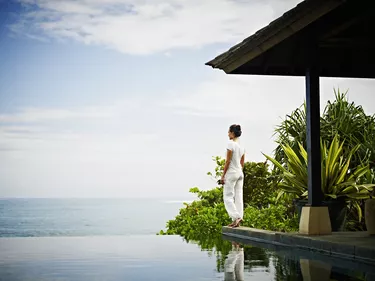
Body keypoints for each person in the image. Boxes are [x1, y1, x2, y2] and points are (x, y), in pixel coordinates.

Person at [220, 124, 245, 228]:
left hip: (232, 173)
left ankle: (236, 217)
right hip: (240, 172)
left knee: (228, 197)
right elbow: (242, 162)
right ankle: (237, 220)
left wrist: (223, 176)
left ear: (233, 133)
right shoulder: (242, 146)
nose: (228, 134)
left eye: (229, 132)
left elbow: (228, 161)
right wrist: (239, 171)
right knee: (239, 196)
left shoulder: (230, 144)